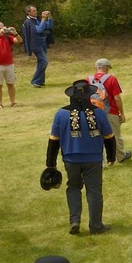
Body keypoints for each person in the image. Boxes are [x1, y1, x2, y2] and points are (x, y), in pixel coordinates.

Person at [47, 78, 119, 235]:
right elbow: (109, 136)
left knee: (73, 187)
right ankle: (96, 225)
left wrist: (50, 163)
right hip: (93, 159)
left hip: (71, 159)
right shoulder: (98, 113)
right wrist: (111, 156)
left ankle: (74, 221)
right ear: (89, 96)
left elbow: (53, 140)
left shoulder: (60, 114)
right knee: (94, 191)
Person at [91, 57, 132, 163]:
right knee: (115, 135)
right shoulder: (111, 79)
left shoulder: (88, 80)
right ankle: (120, 156)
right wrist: (121, 113)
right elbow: (117, 98)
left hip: (94, 112)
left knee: (97, 136)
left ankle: (101, 160)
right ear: (106, 67)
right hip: (110, 111)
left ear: (97, 67)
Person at [22, 5, 52, 87]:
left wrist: (49, 18)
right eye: (34, 11)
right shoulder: (28, 22)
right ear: (29, 12)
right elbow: (39, 30)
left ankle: (40, 81)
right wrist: (43, 19)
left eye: (36, 10)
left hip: (42, 42)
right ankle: (35, 80)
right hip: (35, 44)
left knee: (41, 62)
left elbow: (49, 26)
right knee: (44, 61)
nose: (36, 12)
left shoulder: (36, 19)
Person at [0, 20, 18, 106]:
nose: (1, 30)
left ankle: (13, 102)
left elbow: (19, 41)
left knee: (11, 84)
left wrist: (15, 33)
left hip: (9, 64)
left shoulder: (8, 37)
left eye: (2, 28)